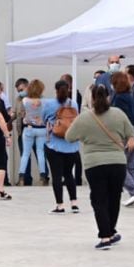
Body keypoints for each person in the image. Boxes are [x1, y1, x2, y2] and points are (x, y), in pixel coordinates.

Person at [66, 84, 133, 249]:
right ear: (108, 97)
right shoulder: (118, 114)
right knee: (114, 198)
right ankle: (110, 231)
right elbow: (130, 134)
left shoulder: (84, 117)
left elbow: (69, 137)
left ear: (92, 99)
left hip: (94, 164)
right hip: (117, 162)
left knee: (99, 199)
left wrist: (86, 136)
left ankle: (105, 237)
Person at [44, 79, 81, 213]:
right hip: (71, 145)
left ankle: (60, 205)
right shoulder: (74, 103)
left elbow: (45, 119)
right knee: (69, 174)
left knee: (56, 176)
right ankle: (74, 203)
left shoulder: (49, 104)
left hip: (54, 144)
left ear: (56, 90)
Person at [110, 70, 134, 207]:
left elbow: (119, 118)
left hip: (128, 132)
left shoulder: (118, 98)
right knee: (130, 166)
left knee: (118, 165)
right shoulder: (128, 96)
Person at [19, 79, 49, 187]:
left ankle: (21, 176)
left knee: (25, 153)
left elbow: (22, 113)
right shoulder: (45, 101)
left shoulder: (25, 100)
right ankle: (43, 176)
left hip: (29, 128)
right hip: (41, 128)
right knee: (40, 152)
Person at [59, 72, 84, 185]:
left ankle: (77, 178)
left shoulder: (75, 95)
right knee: (65, 152)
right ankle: (68, 176)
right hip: (64, 125)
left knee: (74, 152)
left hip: (73, 125)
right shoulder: (63, 96)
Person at [14, 77, 36, 186]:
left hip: (35, 129)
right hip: (21, 130)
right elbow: (15, 112)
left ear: (27, 87)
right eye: (18, 91)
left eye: (22, 89)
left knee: (39, 153)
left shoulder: (36, 97)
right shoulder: (18, 99)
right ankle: (26, 179)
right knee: (25, 155)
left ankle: (44, 176)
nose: (20, 92)